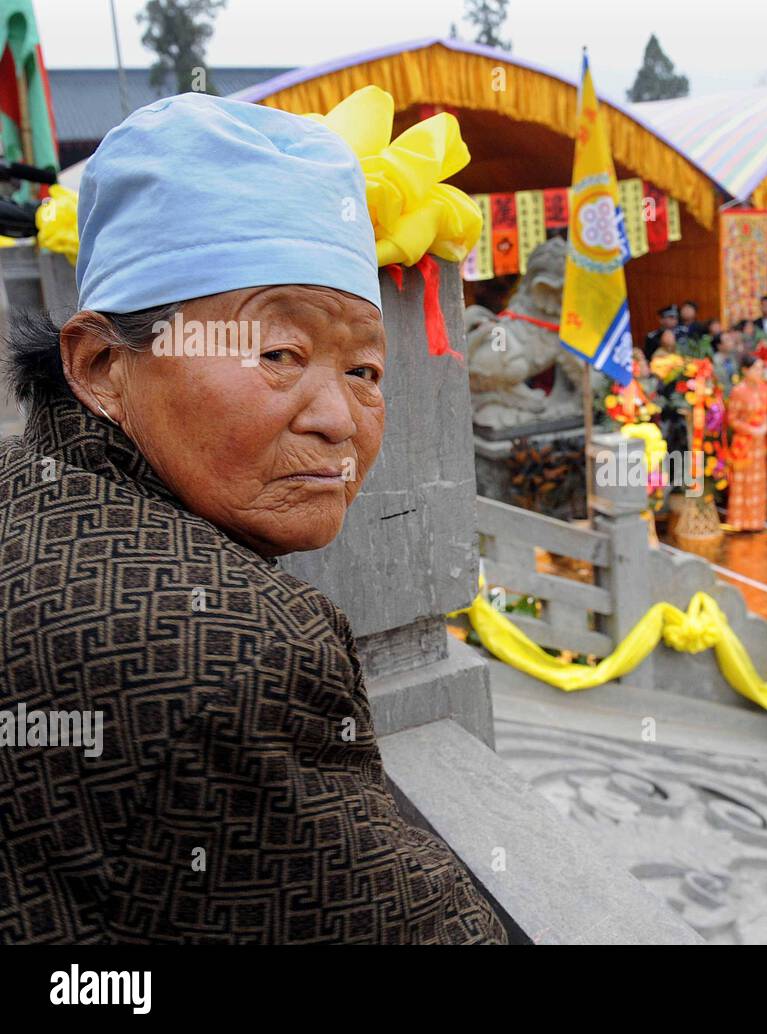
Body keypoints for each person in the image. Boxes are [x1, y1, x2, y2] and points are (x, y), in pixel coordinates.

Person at [0, 93, 506, 943]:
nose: (341, 422)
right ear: (99, 364)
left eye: (367, 372)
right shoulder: (239, 650)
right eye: (280, 354)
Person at [725, 355, 767, 530]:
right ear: (745, 370)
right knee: (744, 481)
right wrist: (752, 430)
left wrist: (764, 426)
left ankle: (757, 520)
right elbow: (732, 419)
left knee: (758, 481)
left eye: (761, 368)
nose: (760, 372)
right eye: (756, 368)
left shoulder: (763, 389)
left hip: (760, 442)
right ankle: (741, 521)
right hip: (744, 442)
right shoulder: (738, 391)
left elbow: (765, 412)